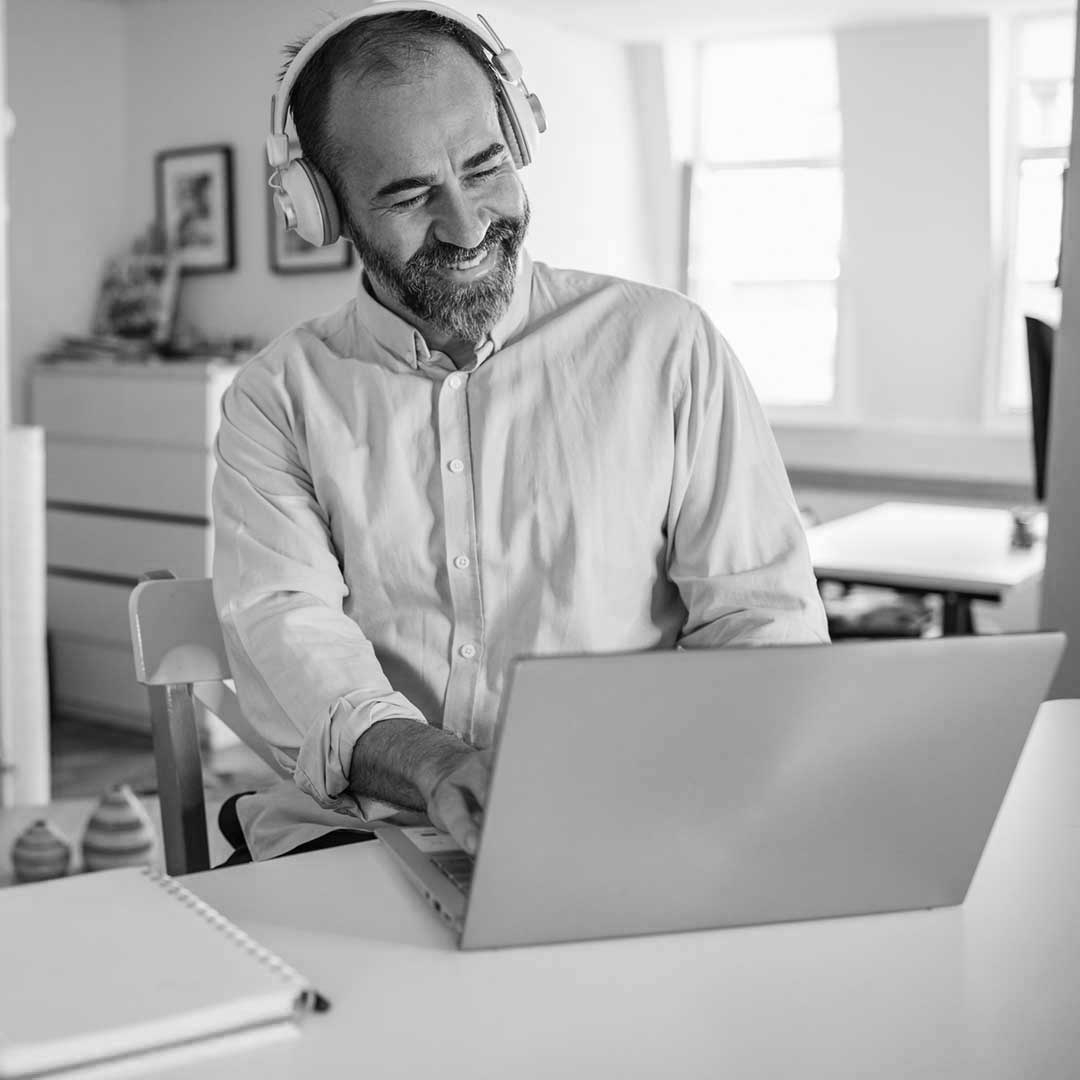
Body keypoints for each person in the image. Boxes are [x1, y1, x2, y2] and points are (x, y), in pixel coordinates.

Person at [212, 2, 829, 865]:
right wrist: (432, 766)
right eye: (409, 194)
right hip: (363, 837)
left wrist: (703, 802)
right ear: (323, 209)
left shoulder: (668, 348)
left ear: (519, 138)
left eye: (485, 166)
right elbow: (288, 625)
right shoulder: (276, 396)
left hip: (624, 831)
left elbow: (762, 624)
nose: (467, 225)